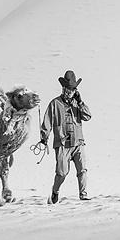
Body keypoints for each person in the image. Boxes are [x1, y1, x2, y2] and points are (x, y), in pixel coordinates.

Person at [39, 70, 92, 203]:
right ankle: (55, 191)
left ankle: (83, 194)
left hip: (78, 143)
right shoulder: (54, 103)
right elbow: (47, 121)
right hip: (62, 145)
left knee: (82, 170)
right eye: (67, 88)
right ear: (63, 88)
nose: (69, 91)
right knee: (62, 173)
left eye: (72, 89)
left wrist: (80, 103)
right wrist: (44, 138)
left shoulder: (77, 104)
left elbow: (87, 116)